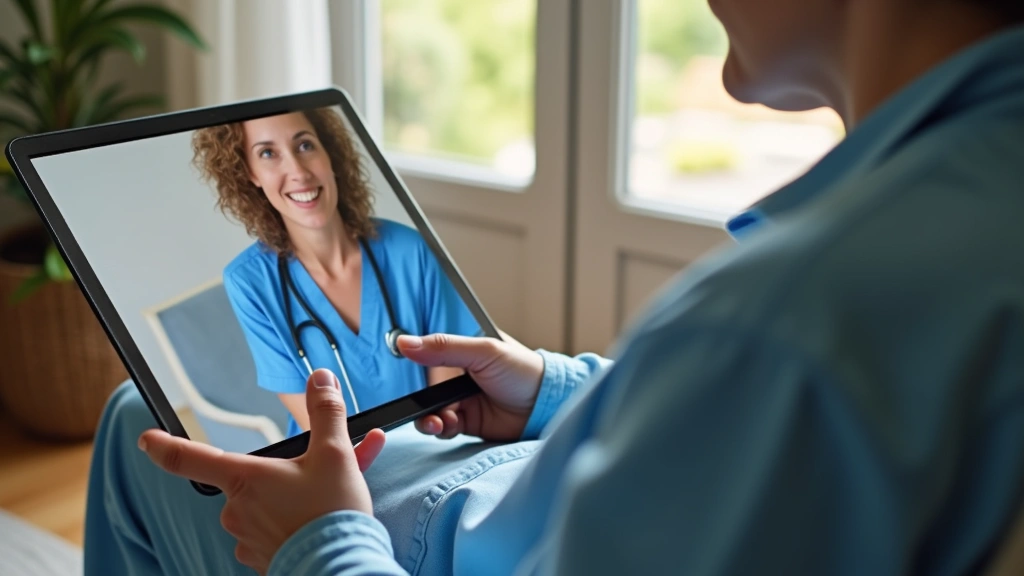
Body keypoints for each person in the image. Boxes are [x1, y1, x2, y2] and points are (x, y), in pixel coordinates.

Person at [83, 1, 1024, 574]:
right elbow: (732, 449)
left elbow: (764, 401)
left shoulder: (786, 322)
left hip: (429, 536)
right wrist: (560, 390)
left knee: (138, 421)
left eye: (305, 144)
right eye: (267, 155)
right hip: (521, 456)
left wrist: (319, 541)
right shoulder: (972, 199)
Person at [190, 107, 479, 438]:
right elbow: (321, 431)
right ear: (250, 173)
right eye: (268, 153)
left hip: (429, 452)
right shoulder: (250, 282)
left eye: (305, 145)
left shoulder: (410, 250)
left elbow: (446, 385)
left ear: (329, 153)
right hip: (333, 467)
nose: (297, 171)